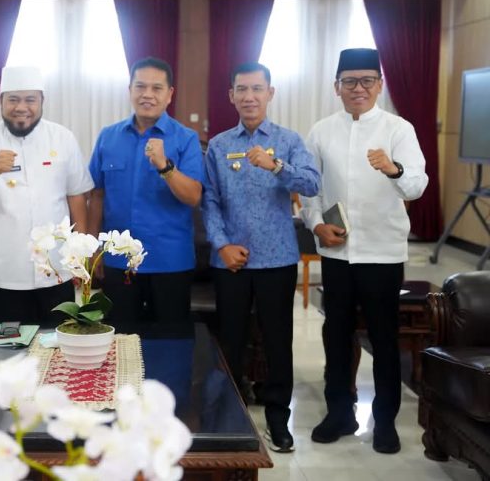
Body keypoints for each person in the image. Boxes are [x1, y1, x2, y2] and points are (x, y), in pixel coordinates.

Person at [301, 48, 428, 454]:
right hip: (338, 254)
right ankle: (339, 411)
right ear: (336, 87)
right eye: (350, 81)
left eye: (367, 80)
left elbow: (417, 186)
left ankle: (386, 420)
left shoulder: (398, 129)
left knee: (383, 337)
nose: (359, 88)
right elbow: (310, 189)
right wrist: (317, 224)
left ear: (380, 84)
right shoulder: (321, 130)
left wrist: (393, 168)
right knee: (335, 335)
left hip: (383, 253)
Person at [201, 62, 319, 453]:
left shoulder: (287, 140)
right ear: (231, 96)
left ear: (270, 93)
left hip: (277, 260)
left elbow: (312, 183)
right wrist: (221, 244)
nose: (249, 97)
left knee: (277, 341)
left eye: (257, 89)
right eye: (241, 89)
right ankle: (230, 415)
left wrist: (277, 166)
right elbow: (210, 202)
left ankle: (277, 418)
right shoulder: (218, 145)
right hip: (231, 262)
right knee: (230, 341)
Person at [0, 66, 94, 324]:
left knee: (57, 348)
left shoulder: (63, 138)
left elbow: (77, 196)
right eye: (13, 99)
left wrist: (80, 254)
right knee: (11, 353)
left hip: (57, 268)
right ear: (0, 102)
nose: (22, 107)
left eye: (30, 99)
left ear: (42, 101)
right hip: (6, 271)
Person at [88, 56, 204, 324]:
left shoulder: (185, 138)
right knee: (120, 342)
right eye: (140, 87)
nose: (147, 95)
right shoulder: (108, 136)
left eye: (156, 88)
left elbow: (193, 196)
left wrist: (165, 167)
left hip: (170, 261)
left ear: (169, 94)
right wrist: (94, 249)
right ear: (130, 90)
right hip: (118, 261)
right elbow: (96, 195)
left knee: (170, 345)